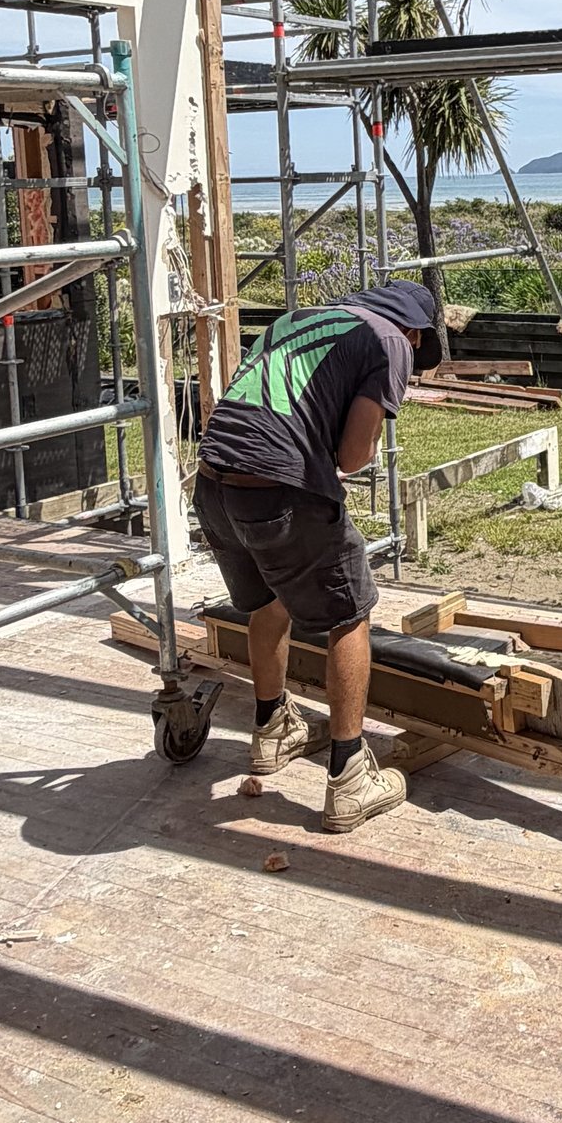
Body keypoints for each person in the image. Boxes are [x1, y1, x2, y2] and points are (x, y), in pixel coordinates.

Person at [193, 279, 439, 832]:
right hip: (279, 489)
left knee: (270, 600)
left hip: (213, 485)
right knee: (351, 611)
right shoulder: (390, 341)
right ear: (416, 332)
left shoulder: (298, 320)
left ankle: (272, 728)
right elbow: (352, 456)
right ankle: (350, 776)